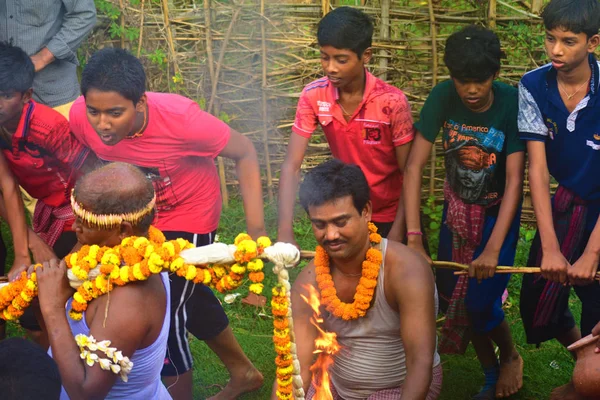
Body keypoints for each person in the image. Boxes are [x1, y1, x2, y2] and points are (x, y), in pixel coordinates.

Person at [69, 48, 265, 400]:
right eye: (94, 111)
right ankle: (244, 372)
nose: (102, 124)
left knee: (163, 304)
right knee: (187, 294)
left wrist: (255, 232)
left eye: (115, 113)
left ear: (140, 103)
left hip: (190, 212)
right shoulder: (80, 119)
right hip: (138, 217)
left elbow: (245, 151)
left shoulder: (183, 122)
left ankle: (176, 392)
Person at [403, 25, 525, 399]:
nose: (471, 90)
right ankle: (489, 369)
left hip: (495, 215)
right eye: (462, 80)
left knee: (479, 300)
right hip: (456, 213)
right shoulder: (442, 96)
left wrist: (493, 248)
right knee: (450, 289)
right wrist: (414, 238)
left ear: (495, 74)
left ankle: (509, 356)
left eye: (480, 80)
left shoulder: (512, 102)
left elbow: (516, 179)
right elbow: (413, 168)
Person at [274, 159, 441, 399]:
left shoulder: (406, 270)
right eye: (319, 224)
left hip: (398, 389)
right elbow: (294, 367)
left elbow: (419, 362)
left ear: (366, 211)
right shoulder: (309, 281)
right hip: (334, 386)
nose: (330, 235)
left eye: (341, 222)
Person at [277, 6, 415, 243]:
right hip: (343, 214)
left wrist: (400, 230)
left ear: (366, 56)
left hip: (388, 214)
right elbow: (292, 165)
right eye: (324, 57)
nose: (331, 67)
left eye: (341, 60)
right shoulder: (313, 96)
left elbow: (409, 172)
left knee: (388, 278)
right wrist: (285, 231)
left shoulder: (392, 102)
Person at [518, 0, 600, 395]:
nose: (555, 50)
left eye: (568, 41)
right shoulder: (533, 85)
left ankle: (583, 383)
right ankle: (581, 360)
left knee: (597, 305)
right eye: (550, 38)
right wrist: (550, 246)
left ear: (593, 42)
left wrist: (591, 254)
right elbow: (537, 167)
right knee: (537, 299)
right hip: (566, 203)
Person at [37, 162, 171, 399]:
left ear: (123, 230)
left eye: (83, 223)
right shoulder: (116, 245)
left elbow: (85, 393)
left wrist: (52, 308)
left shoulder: (128, 301)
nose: (73, 226)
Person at [0, 42, 99, 342]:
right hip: (47, 211)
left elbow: (94, 179)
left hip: (82, 211)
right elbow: (7, 189)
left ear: (27, 96)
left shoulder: (47, 126)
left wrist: (81, 243)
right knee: (32, 312)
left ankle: (91, 361)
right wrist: (25, 252)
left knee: (74, 292)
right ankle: (56, 367)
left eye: (5, 96)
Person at [0, 0, 96, 217]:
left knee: (78, 173)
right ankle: (47, 242)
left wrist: (42, 58)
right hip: (6, 95)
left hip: (54, 87)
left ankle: (94, 236)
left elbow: (84, 15)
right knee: (30, 185)